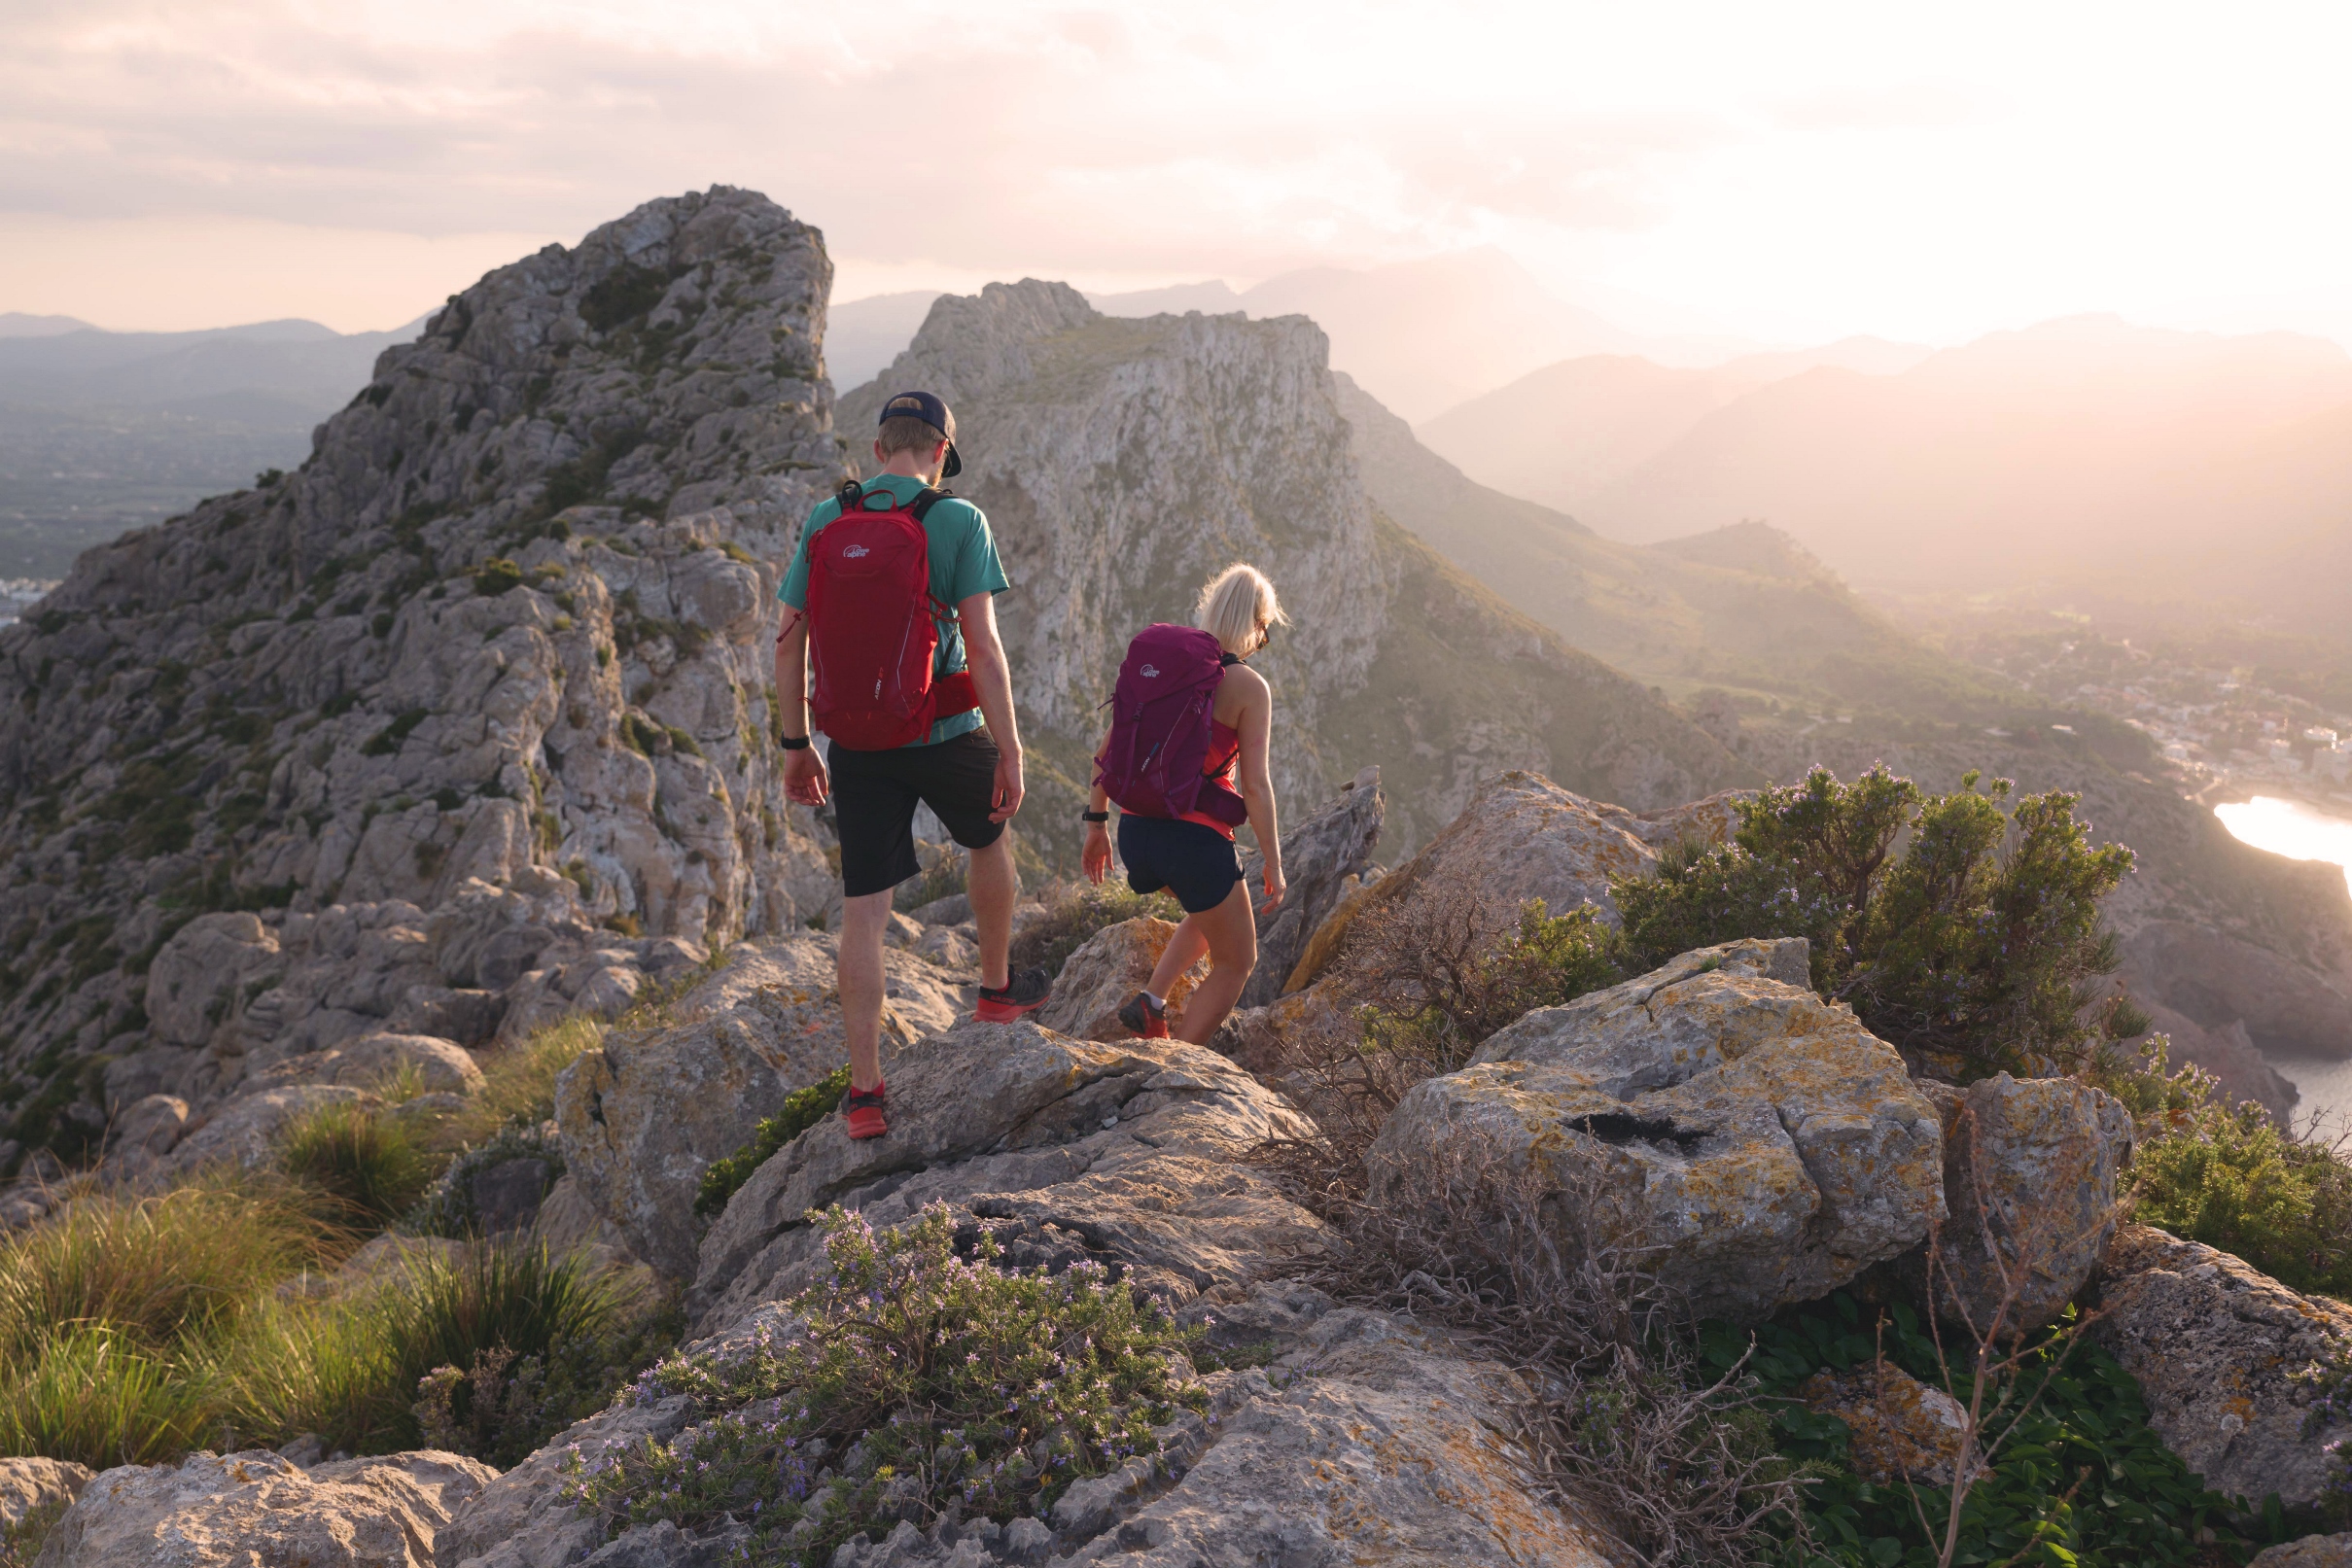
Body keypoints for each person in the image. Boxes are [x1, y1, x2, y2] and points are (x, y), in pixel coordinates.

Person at [774, 390, 1051, 1140]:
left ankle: (865, 1092)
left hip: (856, 744)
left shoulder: (827, 520)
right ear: (939, 454)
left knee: (865, 911)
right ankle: (994, 990)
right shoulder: (957, 519)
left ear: (877, 451)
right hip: (948, 730)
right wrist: (1012, 750)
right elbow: (985, 650)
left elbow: (788, 639)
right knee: (988, 840)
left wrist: (796, 745)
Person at [1081, 564, 1288, 1045]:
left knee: (1212, 902)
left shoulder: (1163, 673)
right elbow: (1255, 785)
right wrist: (1275, 862)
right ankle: (1180, 1066)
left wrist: (1096, 827)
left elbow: (1105, 752)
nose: (1263, 640)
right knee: (1238, 960)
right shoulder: (1249, 688)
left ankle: (1151, 1003)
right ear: (1257, 623)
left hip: (1136, 834)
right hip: (1193, 840)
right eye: (1266, 630)